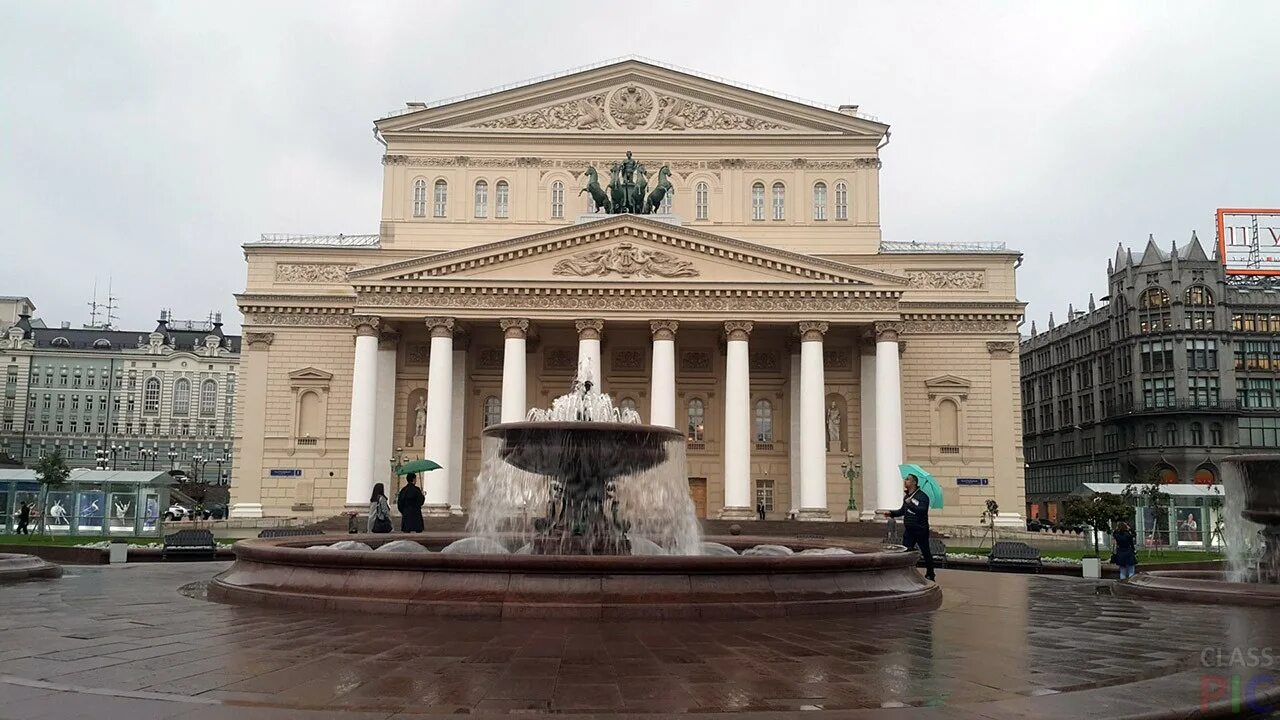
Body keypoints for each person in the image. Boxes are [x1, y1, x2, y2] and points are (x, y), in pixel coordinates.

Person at [881, 474, 936, 581]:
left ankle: (931, 574)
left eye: (907, 480)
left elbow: (922, 510)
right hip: (909, 530)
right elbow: (902, 511)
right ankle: (906, 574)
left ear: (914, 482)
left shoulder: (922, 496)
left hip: (920, 529)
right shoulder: (907, 497)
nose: (905, 481)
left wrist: (910, 504)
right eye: (905, 479)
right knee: (905, 551)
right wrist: (891, 513)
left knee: (925, 552)